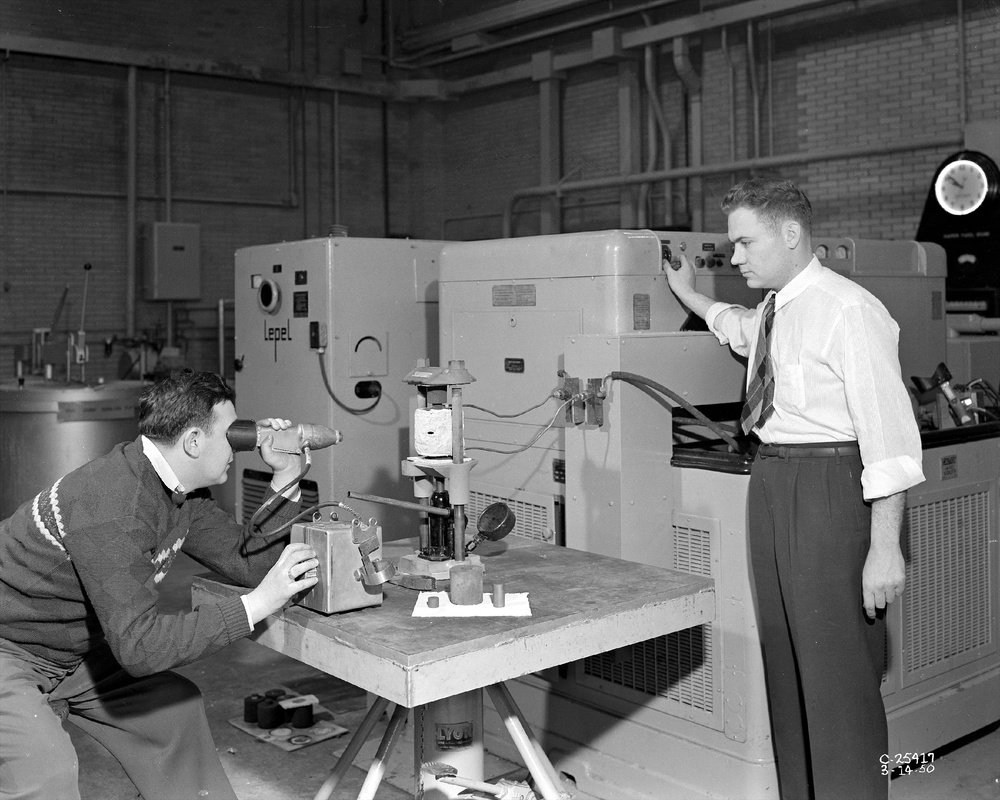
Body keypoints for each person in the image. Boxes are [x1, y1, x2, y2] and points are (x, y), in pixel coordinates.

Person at [666, 177, 924, 800]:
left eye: (744, 242)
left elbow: (889, 440)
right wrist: (688, 294)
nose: (735, 257)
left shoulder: (849, 310)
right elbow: (737, 327)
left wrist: (885, 549)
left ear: (789, 233)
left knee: (837, 678)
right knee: (787, 665)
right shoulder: (776, 311)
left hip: (834, 489)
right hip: (774, 483)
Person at [0, 369, 320, 800]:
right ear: (192, 441)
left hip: (73, 650)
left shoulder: (176, 492)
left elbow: (249, 564)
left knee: (175, 710)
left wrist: (285, 479)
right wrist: (256, 605)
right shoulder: (115, 503)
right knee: (47, 774)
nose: (242, 446)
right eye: (232, 435)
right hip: (10, 650)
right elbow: (140, 647)